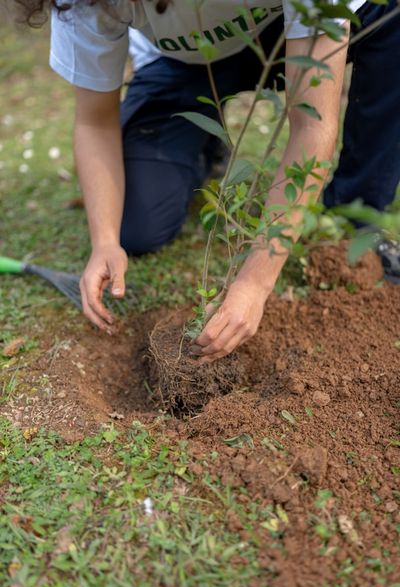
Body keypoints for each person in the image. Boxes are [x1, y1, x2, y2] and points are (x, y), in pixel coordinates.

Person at [22, 0, 400, 362]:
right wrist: (103, 241)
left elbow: (313, 127)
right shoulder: (81, 3)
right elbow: (93, 122)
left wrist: (254, 282)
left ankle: (356, 212)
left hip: (283, 36)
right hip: (182, 61)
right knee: (136, 228)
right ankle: (203, 141)